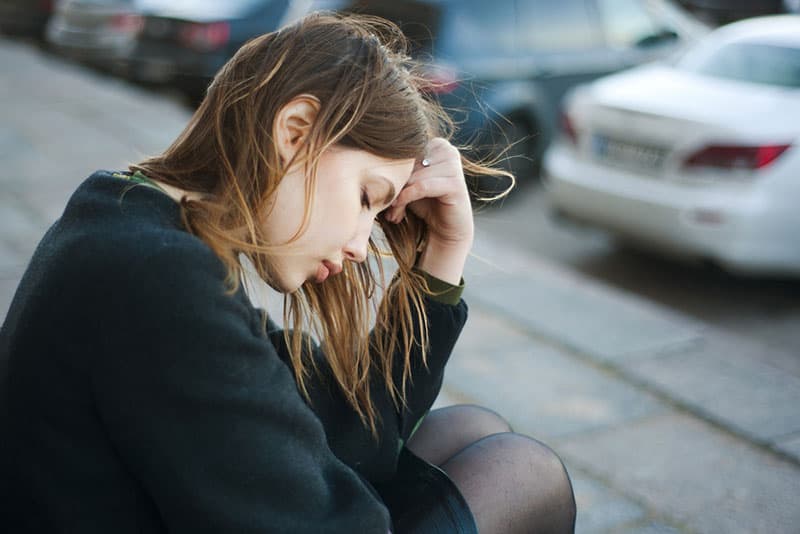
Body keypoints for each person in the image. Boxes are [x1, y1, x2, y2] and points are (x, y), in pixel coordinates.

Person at [0, 12, 576, 534]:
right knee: (526, 474)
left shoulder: (127, 218)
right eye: (364, 197)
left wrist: (443, 253)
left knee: (473, 430)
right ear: (296, 130)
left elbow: (335, 431)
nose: (360, 244)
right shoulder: (158, 279)